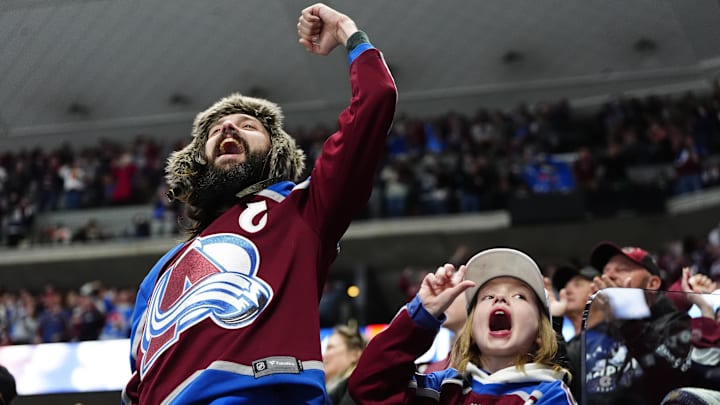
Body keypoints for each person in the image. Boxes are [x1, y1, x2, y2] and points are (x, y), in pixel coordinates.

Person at [122, 3, 397, 404]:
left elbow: (377, 99)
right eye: (216, 130)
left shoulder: (303, 210)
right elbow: (137, 381)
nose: (229, 127)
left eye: (248, 125)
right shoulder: (161, 272)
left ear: (275, 153)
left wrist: (346, 31)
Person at [348, 248, 576, 404]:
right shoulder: (442, 388)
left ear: (540, 333)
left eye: (519, 296)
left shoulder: (550, 395)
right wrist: (422, 314)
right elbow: (369, 387)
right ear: (473, 330)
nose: (500, 299)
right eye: (486, 297)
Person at [572, 241, 694, 404]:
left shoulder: (677, 325)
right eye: (605, 271)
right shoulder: (595, 336)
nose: (609, 276)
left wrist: (629, 323)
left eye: (622, 270)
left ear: (652, 284)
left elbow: (677, 379)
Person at [323, 325, 367, 405]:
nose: (323, 355)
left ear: (355, 354)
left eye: (330, 348)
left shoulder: (356, 393)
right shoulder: (333, 393)